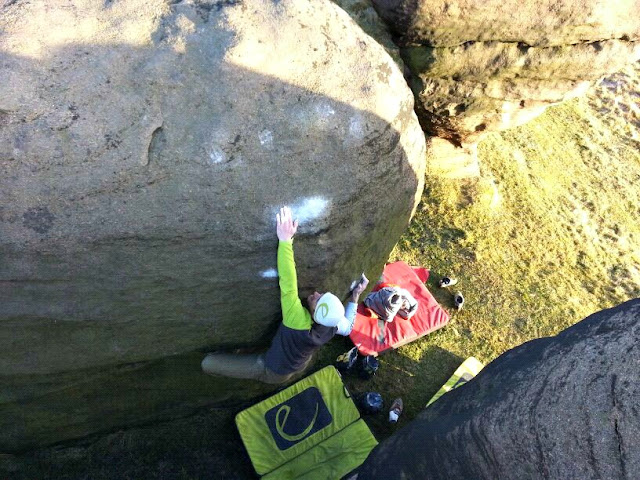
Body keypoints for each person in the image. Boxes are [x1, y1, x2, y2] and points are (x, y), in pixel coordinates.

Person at [201, 206, 369, 384]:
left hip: (271, 370)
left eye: (317, 300)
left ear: (315, 314)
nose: (316, 294)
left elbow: (288, 282)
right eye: (322, 295)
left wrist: (285, 240)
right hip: (297, 363)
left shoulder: (297, 320)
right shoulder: (332, 324)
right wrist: (355, 296)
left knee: (208, 363)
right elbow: (348, 328)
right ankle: (248, 354)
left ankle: (236, 361)